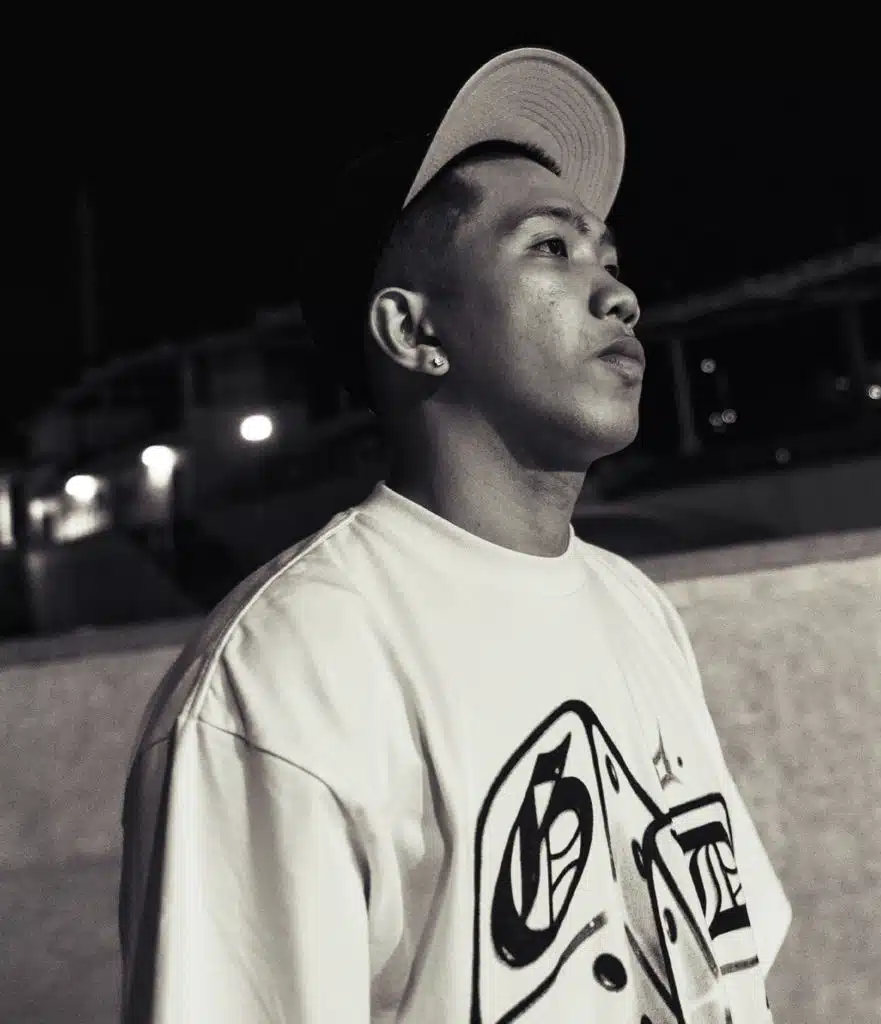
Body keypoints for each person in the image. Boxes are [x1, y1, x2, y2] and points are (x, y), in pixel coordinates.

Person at [118, 47, 791, 1023]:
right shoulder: (283, 673)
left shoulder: (634, 606)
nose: (619, 294)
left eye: (608, 258)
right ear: (413, 332)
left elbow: (732, 972)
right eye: (551, 249)